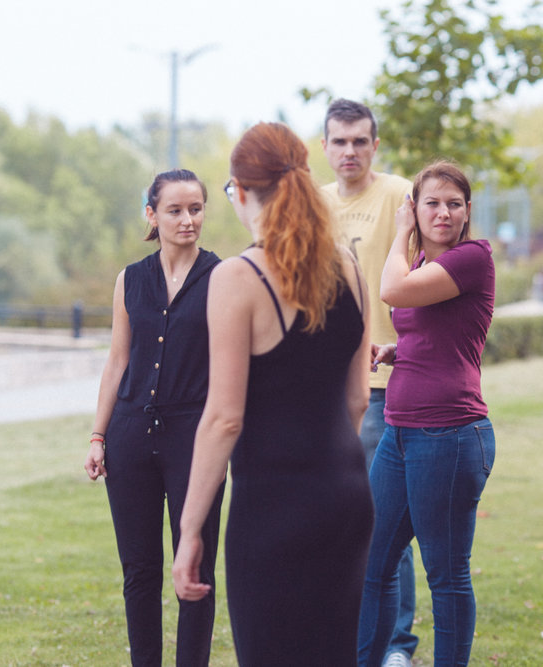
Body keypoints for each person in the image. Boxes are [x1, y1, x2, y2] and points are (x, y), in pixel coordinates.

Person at [171, 122, 374, 665]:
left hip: (275, 505)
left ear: (240, 190)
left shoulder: (237, 277)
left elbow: (224, 419)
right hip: (347, 495)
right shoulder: (349, 267)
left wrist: (190, 529)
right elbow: (357, 399)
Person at [357, 160, 496, 667]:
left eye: (454, 204)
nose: (443, 213)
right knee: (373, 561)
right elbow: (439, 332)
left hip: (449, 435)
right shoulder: (420, 265)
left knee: (446, 573)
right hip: (399, 432)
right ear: (416, 206)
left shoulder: (473, 258)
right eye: (431, 203)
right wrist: (398, 351)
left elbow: (391, 291)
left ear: (467, 212)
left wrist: (400, 232)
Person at [84, 168, 224, 667]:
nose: (188, 220)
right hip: (130, 437)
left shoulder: (223, 277)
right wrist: (98, 435)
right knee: (139, 571)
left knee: (196, 571)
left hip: (196, 441)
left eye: (196, 209)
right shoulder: (130, 279)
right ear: (151, 214)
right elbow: (117, 361)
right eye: (175, 210)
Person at [320, 98, 419, 667]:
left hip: (384, 383)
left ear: (375, 145)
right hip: (324, 388)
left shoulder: (401, 196)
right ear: (325, 146)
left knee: (384, 515)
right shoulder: (314, 205)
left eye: (360, 140)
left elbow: (431, 275)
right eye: (339, 141)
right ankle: (344, 632)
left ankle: (396, 646)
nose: (350, 151)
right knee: (332, 516)